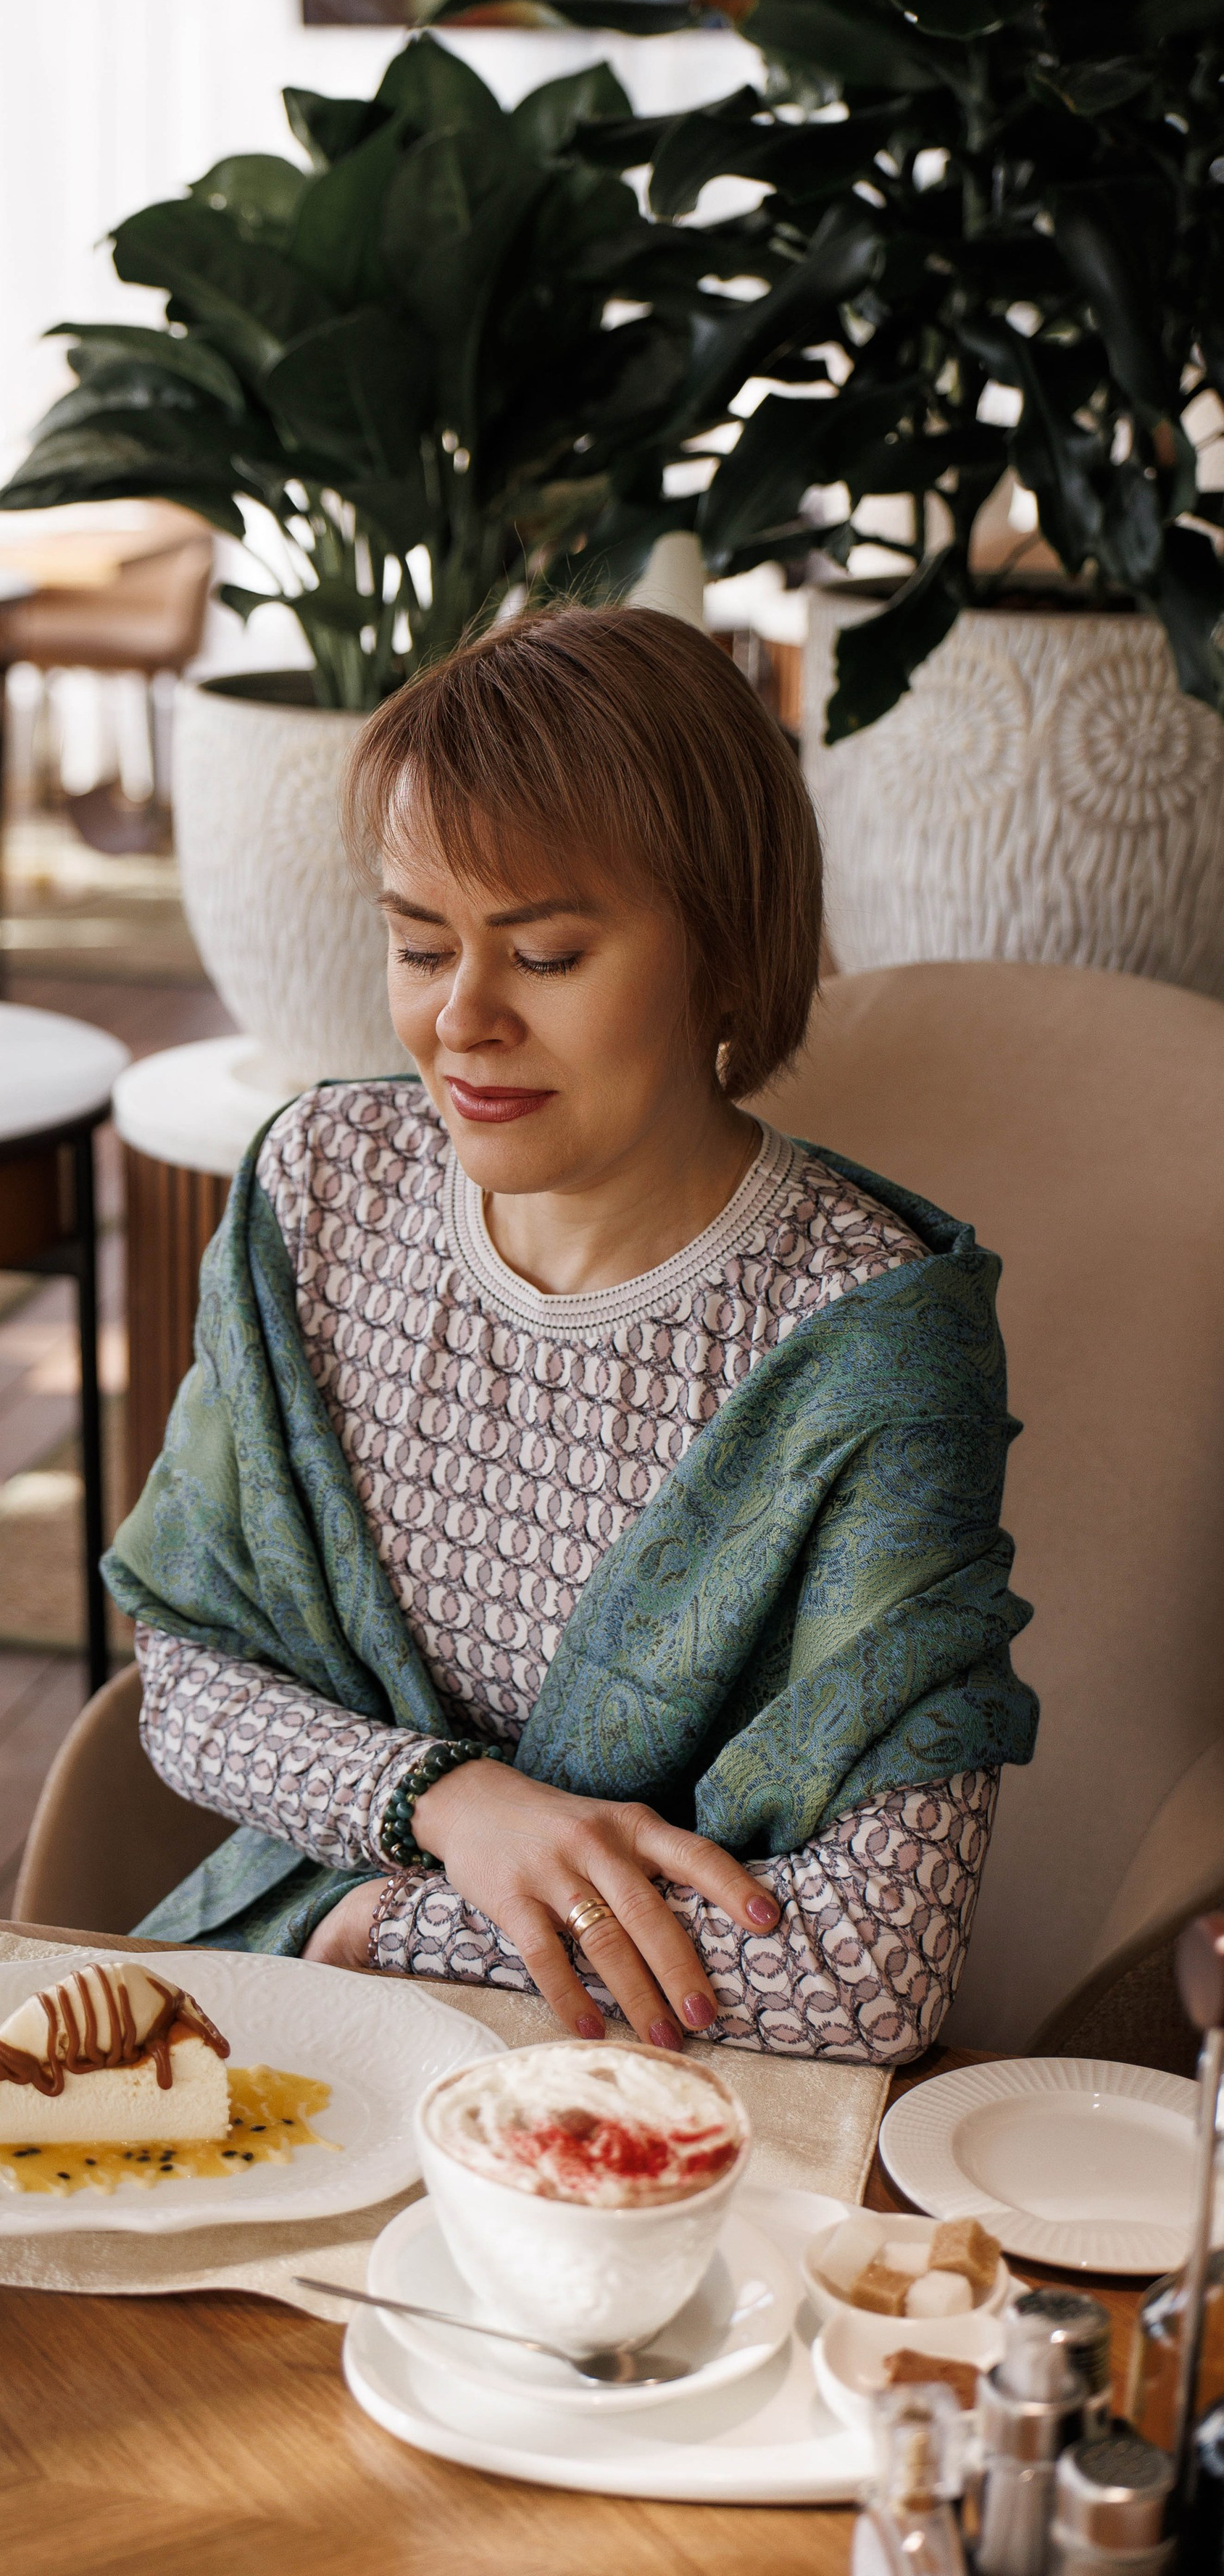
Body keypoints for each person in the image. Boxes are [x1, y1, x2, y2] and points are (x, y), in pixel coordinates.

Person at [107, 607, 1038, 2063]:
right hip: (304, 2048)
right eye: (418, 944)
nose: (459, 1018)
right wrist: (444, 1805)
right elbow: (187, 1679)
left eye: (541, 954)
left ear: (723, 952)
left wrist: (382, 1926)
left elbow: (872, 1971)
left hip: (663, 2100)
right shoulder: (320, 1188)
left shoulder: (866, 1340)